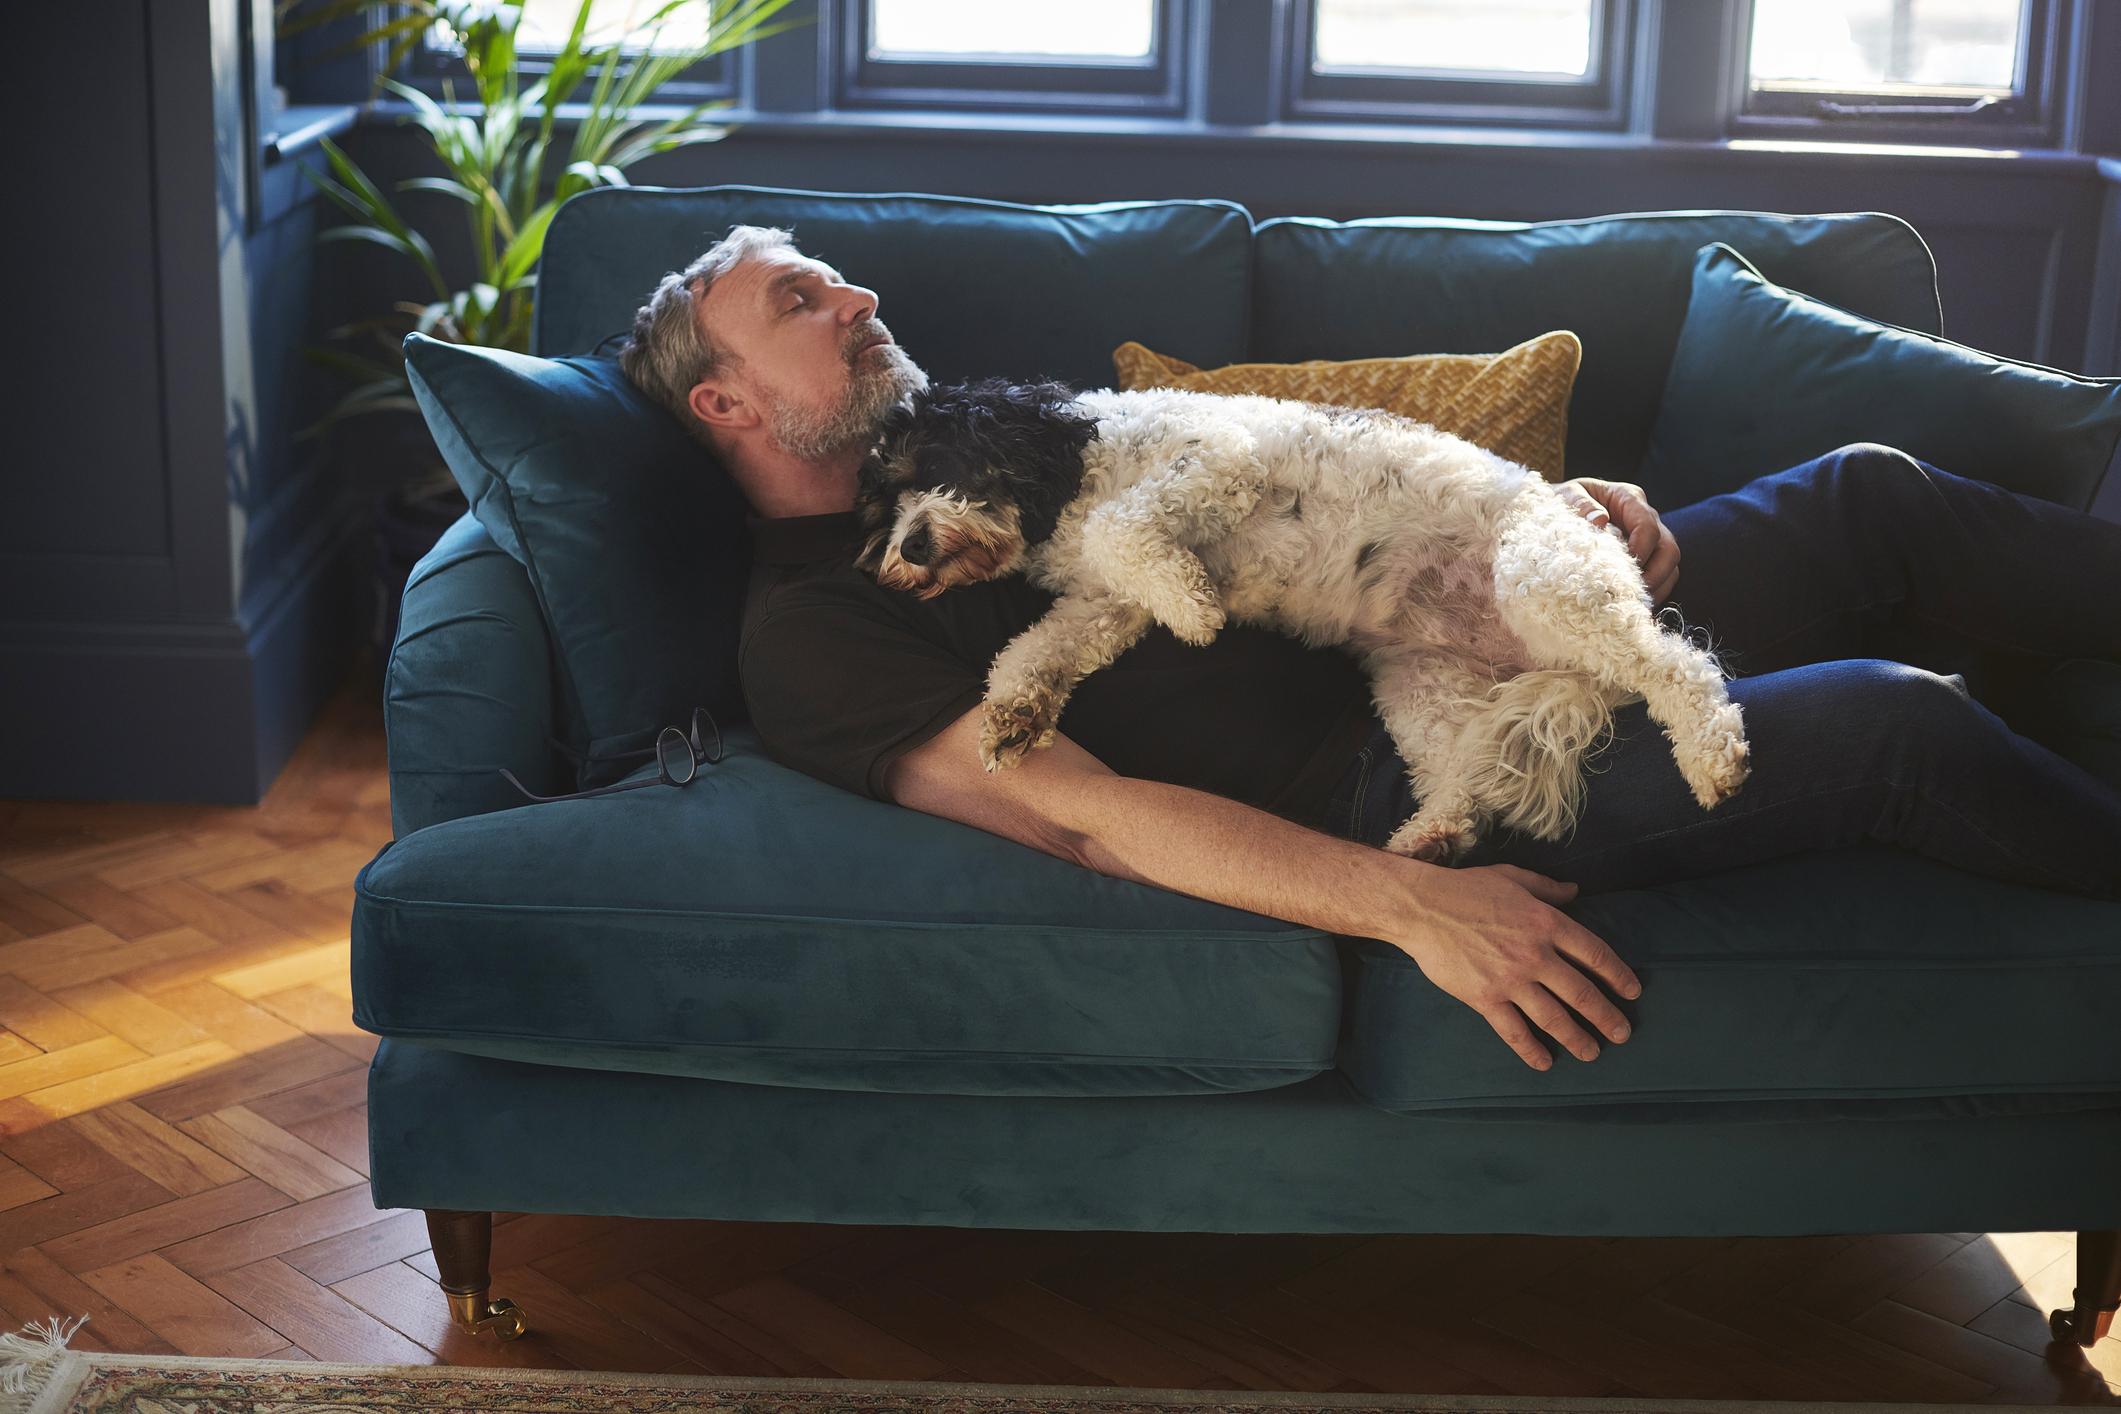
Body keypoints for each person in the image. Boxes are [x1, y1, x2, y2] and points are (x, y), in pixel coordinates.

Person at [618, 224, 2121, 1075]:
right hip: (1395, 751)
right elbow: (1076, 813)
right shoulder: (813, 623)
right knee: (1887, 723)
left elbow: (1293, 480)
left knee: (1867, 499)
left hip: (1435, 583)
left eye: (837, 278)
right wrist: (1410, 900)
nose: (858, 298)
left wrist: (1563, 511)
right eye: (799, 304)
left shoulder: (988, 438)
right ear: (727, 407)